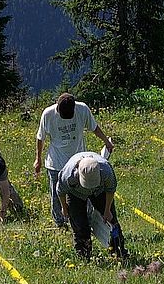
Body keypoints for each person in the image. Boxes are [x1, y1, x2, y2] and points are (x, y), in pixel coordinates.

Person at [35, 93, 114, 228]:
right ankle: (60, 223)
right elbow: (40, 137)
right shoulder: (48, 114)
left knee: (85, 191)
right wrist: (38, 159)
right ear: (57, 108)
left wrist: (107, 141)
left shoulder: (82, 109)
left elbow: (94, 127)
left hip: (79, 163)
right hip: (56, 164)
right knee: (56, 195)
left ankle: (87, 221)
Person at [57, 151, 127, 259]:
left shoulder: (106, 171)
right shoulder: (68, 174)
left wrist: (107, 210)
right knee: (80, 225)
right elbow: (61, 191)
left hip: (100, 192)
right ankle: (84, 256)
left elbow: (110, 190)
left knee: (112, 222)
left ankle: (119, 252)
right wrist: (64, 207)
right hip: (76, 194)